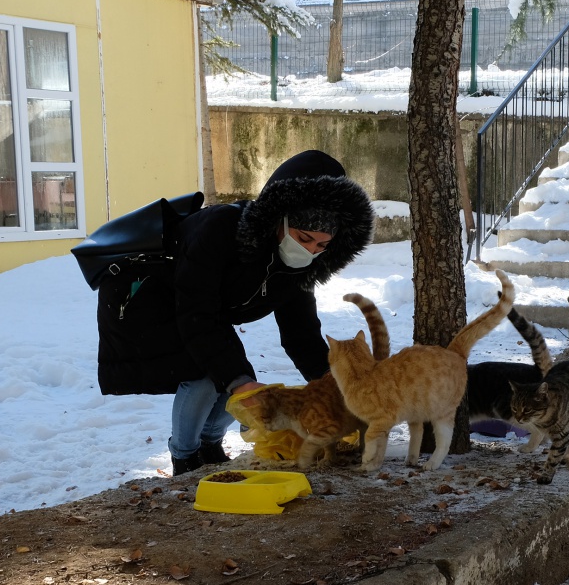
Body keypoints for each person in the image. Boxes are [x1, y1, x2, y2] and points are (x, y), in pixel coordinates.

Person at [96, 150, 374, 476]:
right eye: (304, 238)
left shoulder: (299, 268)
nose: (310, 251)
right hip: (141, 295)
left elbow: (302, 334)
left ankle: (210, 446)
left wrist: (333, 384)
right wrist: (238, 381)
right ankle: (184, 458)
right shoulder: (219, 229)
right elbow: (197, 313)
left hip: (201, 309)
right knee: (206, 374)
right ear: (278, 220)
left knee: (235, 378)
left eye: (321, 246)